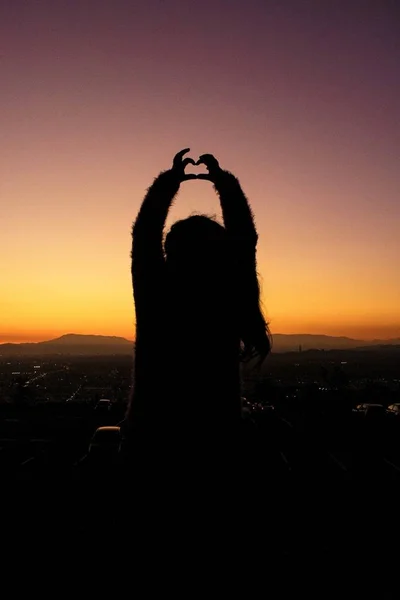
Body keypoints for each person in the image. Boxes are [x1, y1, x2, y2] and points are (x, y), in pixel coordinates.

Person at [125, 149, 271, 447]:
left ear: (169, 253)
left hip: (151, 435)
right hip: (218, 434)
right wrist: (224, 183)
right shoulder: (229, 294)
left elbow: (144, 235)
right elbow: (245, 239)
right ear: (222, 255)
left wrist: (168, 182)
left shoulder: (157, 292)